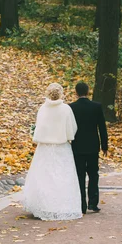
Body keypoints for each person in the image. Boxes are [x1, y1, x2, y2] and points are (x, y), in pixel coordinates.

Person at [21, 83, 82, 221]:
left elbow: (39, 127)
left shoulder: (43, 109)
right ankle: (61, 205)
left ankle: (43, 205)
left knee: (44, 175)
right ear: (61, 93)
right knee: (62, 175)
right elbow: (72, 128)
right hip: (61, 147)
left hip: (45, 147)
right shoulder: (66, 109)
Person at [69, 82, 108, 214]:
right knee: (93, 174)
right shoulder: (96, 107)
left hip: (77, 146)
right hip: (92, 146)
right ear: (88, 91)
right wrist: (104, 145)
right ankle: (93, 202)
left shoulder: (71, 108)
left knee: (79, 175)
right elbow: (102, 127)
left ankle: (81, 205)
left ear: (76, 92)